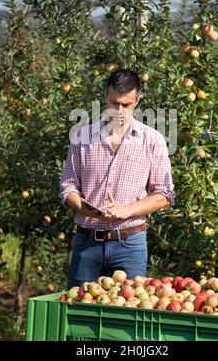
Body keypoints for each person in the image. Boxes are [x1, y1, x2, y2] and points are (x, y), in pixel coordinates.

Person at [59, 68, 175, 287]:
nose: (119, 111)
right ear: (105, 97)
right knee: (79, 309)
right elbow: (68, 186)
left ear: (137, 101)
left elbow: (165, 194)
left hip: (130, 243)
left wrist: (127, 210)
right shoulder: (82, 138)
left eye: (126, 105)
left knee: (128, 314)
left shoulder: (152, 140)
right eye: (114, 103)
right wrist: (81, 207)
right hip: (87, 241)